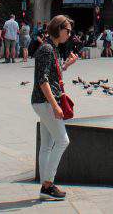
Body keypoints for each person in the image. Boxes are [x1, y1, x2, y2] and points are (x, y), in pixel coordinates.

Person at [32, 15, 78, 201]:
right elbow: (42, 80)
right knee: (62, 141)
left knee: (47, 145)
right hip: (45, 102)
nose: (69, 34)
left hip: (44, 102)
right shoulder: (46, 49)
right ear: (58, 29)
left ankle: (45, 185)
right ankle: (48, 184)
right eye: (67, 30)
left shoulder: (53, 49)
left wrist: (67, 65)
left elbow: (52, 73)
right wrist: (54, 106)